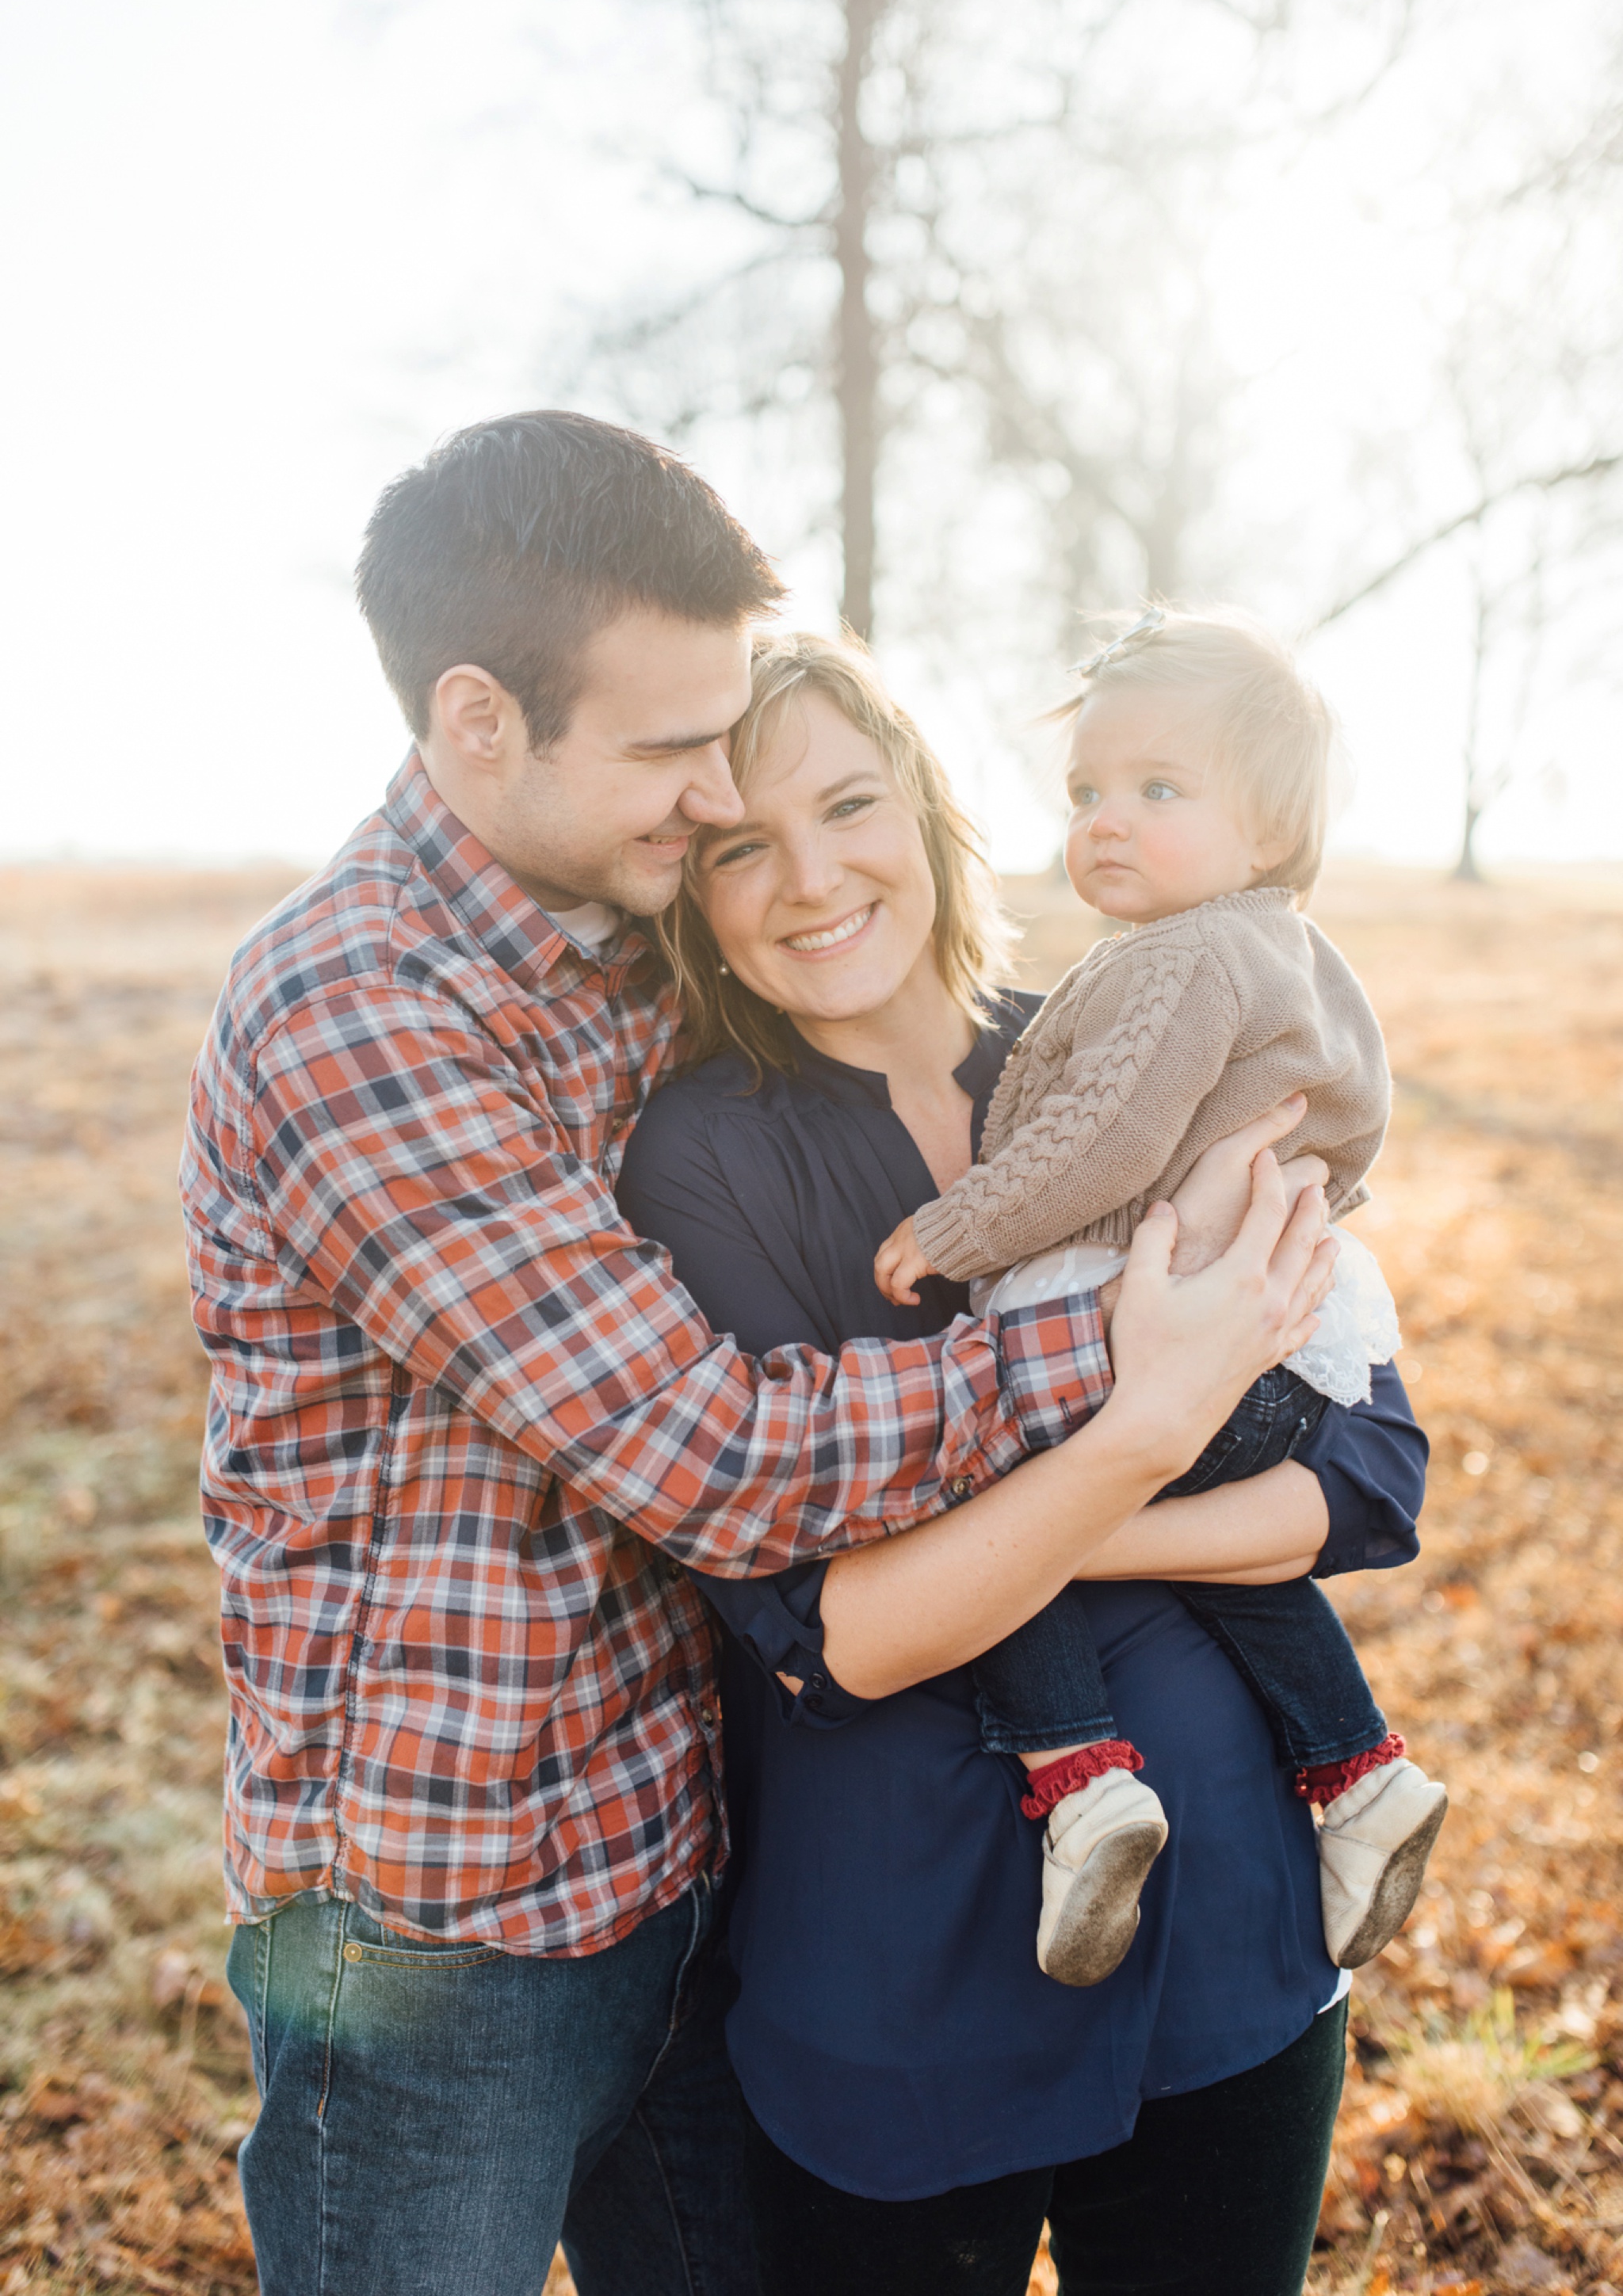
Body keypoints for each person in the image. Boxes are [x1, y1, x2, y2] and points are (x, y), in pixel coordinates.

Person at [179, 411, 1331, 2296]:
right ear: (481, 723)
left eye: (736, 738)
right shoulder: (361, 1011)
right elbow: (716, 1455)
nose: (719, 800)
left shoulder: (633, 940)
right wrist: (1142, 1366)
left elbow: (1361, 1464)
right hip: (442, 1933)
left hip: (687, 1866)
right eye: (672, 752)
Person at [617, 630, 1430, 2296]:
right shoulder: (700, 1156)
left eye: (848, 804)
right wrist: (1144, 1438)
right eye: (740, 847)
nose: (809, 876)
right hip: (904, 1980)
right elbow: (838, 1630)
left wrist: (1073, 1528)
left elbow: (1365, 1481)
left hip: (1234, 1935)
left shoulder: (1102, 1046)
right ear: (694, 895)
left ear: (923, 812)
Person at [872, 606, 1446, 1989]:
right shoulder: (1293, 950)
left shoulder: (1187, 957)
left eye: (1159, 790)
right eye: (1086, 794)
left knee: (1004, 1495)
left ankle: (1081, 1785)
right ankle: (1361, 1776)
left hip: (1172, 1319)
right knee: (1180, 1532)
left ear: (1267, 833)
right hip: (1279, 1344)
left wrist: (960, 1225)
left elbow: (1110, 1138)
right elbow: (1340, 1126)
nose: (1106, 822)